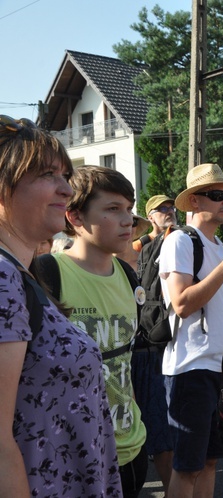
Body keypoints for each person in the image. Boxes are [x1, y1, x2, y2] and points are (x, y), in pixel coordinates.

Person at [0, 116, 121, 495]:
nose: (66, 190)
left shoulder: (20, 274)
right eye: (47, 174)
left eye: (65, 175)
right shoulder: (3, 278)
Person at [52, 166, 148, 497]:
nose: (128, 220)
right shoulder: (47, 277)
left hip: (132, 450)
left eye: (129, 209)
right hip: (76, 456)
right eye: (112, 209)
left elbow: (125, 363)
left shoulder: (129, 276)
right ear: (75, 217)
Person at [159, 163, 223, 497]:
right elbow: (182, 303)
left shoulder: (216, 246)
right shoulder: (181, 242)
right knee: (187, 467)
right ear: (195, 202)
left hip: (219, 369)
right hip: (190, 368)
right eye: (216, 195)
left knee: (211, 461)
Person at [130, 194, 178, 492]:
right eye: (163, 209)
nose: (170, 212)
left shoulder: (182, 240)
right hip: (142, 345)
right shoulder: (137, 246)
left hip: (162, 342)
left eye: (172, 207)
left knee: (163, 432)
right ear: (151, 216)